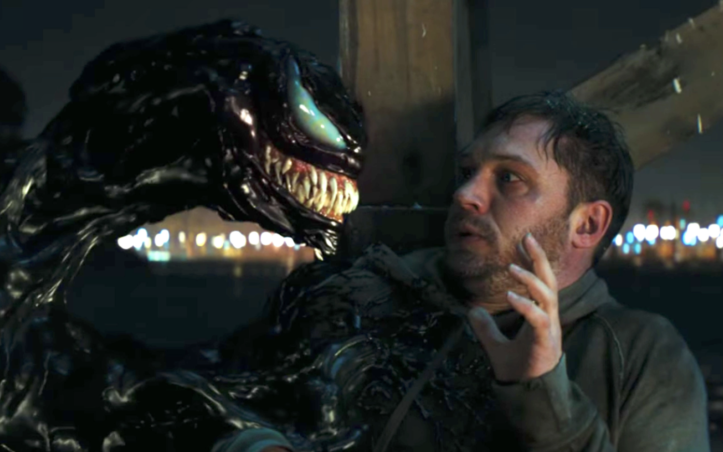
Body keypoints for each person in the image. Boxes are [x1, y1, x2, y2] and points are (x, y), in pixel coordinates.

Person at [214, 91, 709, 451]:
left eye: (510, 178)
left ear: (587, 224)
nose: (465, 194)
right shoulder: (359, 295)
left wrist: (542, 393)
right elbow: (223, 405)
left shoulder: (640, 355)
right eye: (468, 172)